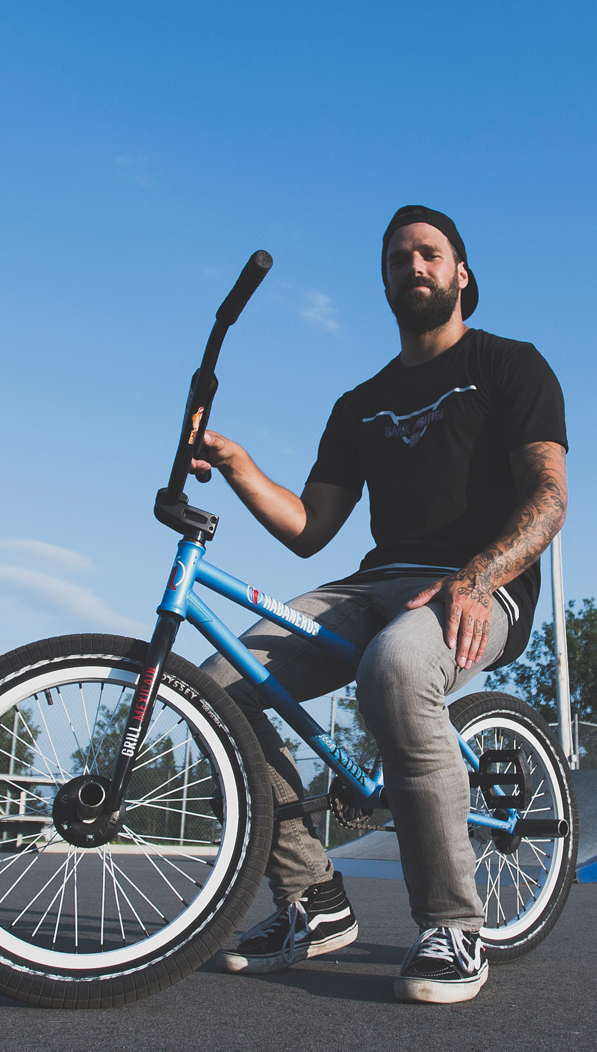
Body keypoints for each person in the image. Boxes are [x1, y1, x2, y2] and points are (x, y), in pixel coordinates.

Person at [188, 205, 568, 1004]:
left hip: (480, 585)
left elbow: (548, 497)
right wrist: (238, 463)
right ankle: (312, 902)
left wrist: (475, 577)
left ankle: (453, 927)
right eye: (398, 259)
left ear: (461, 273)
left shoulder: (509, 365)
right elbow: (308, 528)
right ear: (386, 282)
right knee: (218, 689)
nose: (413, 267)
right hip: (370, 584)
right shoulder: (358, 402)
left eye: (430, 254)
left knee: (395, 669)